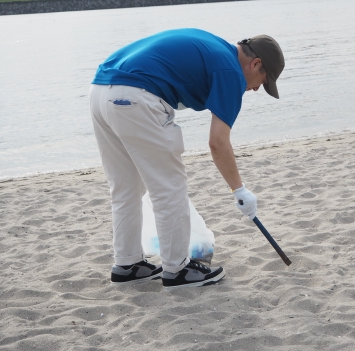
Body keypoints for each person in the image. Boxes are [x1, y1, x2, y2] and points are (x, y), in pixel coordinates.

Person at [89, 28, 285, 289]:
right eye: (263, 81)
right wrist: (240, 189)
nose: (257, 89)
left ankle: (127, 264)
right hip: (136, 97)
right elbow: (218, 142)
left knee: (125, 187)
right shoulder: (231, 71)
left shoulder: (213, 45)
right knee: (168, 188)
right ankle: (177, 268)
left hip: (100, 92)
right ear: (255, 63)